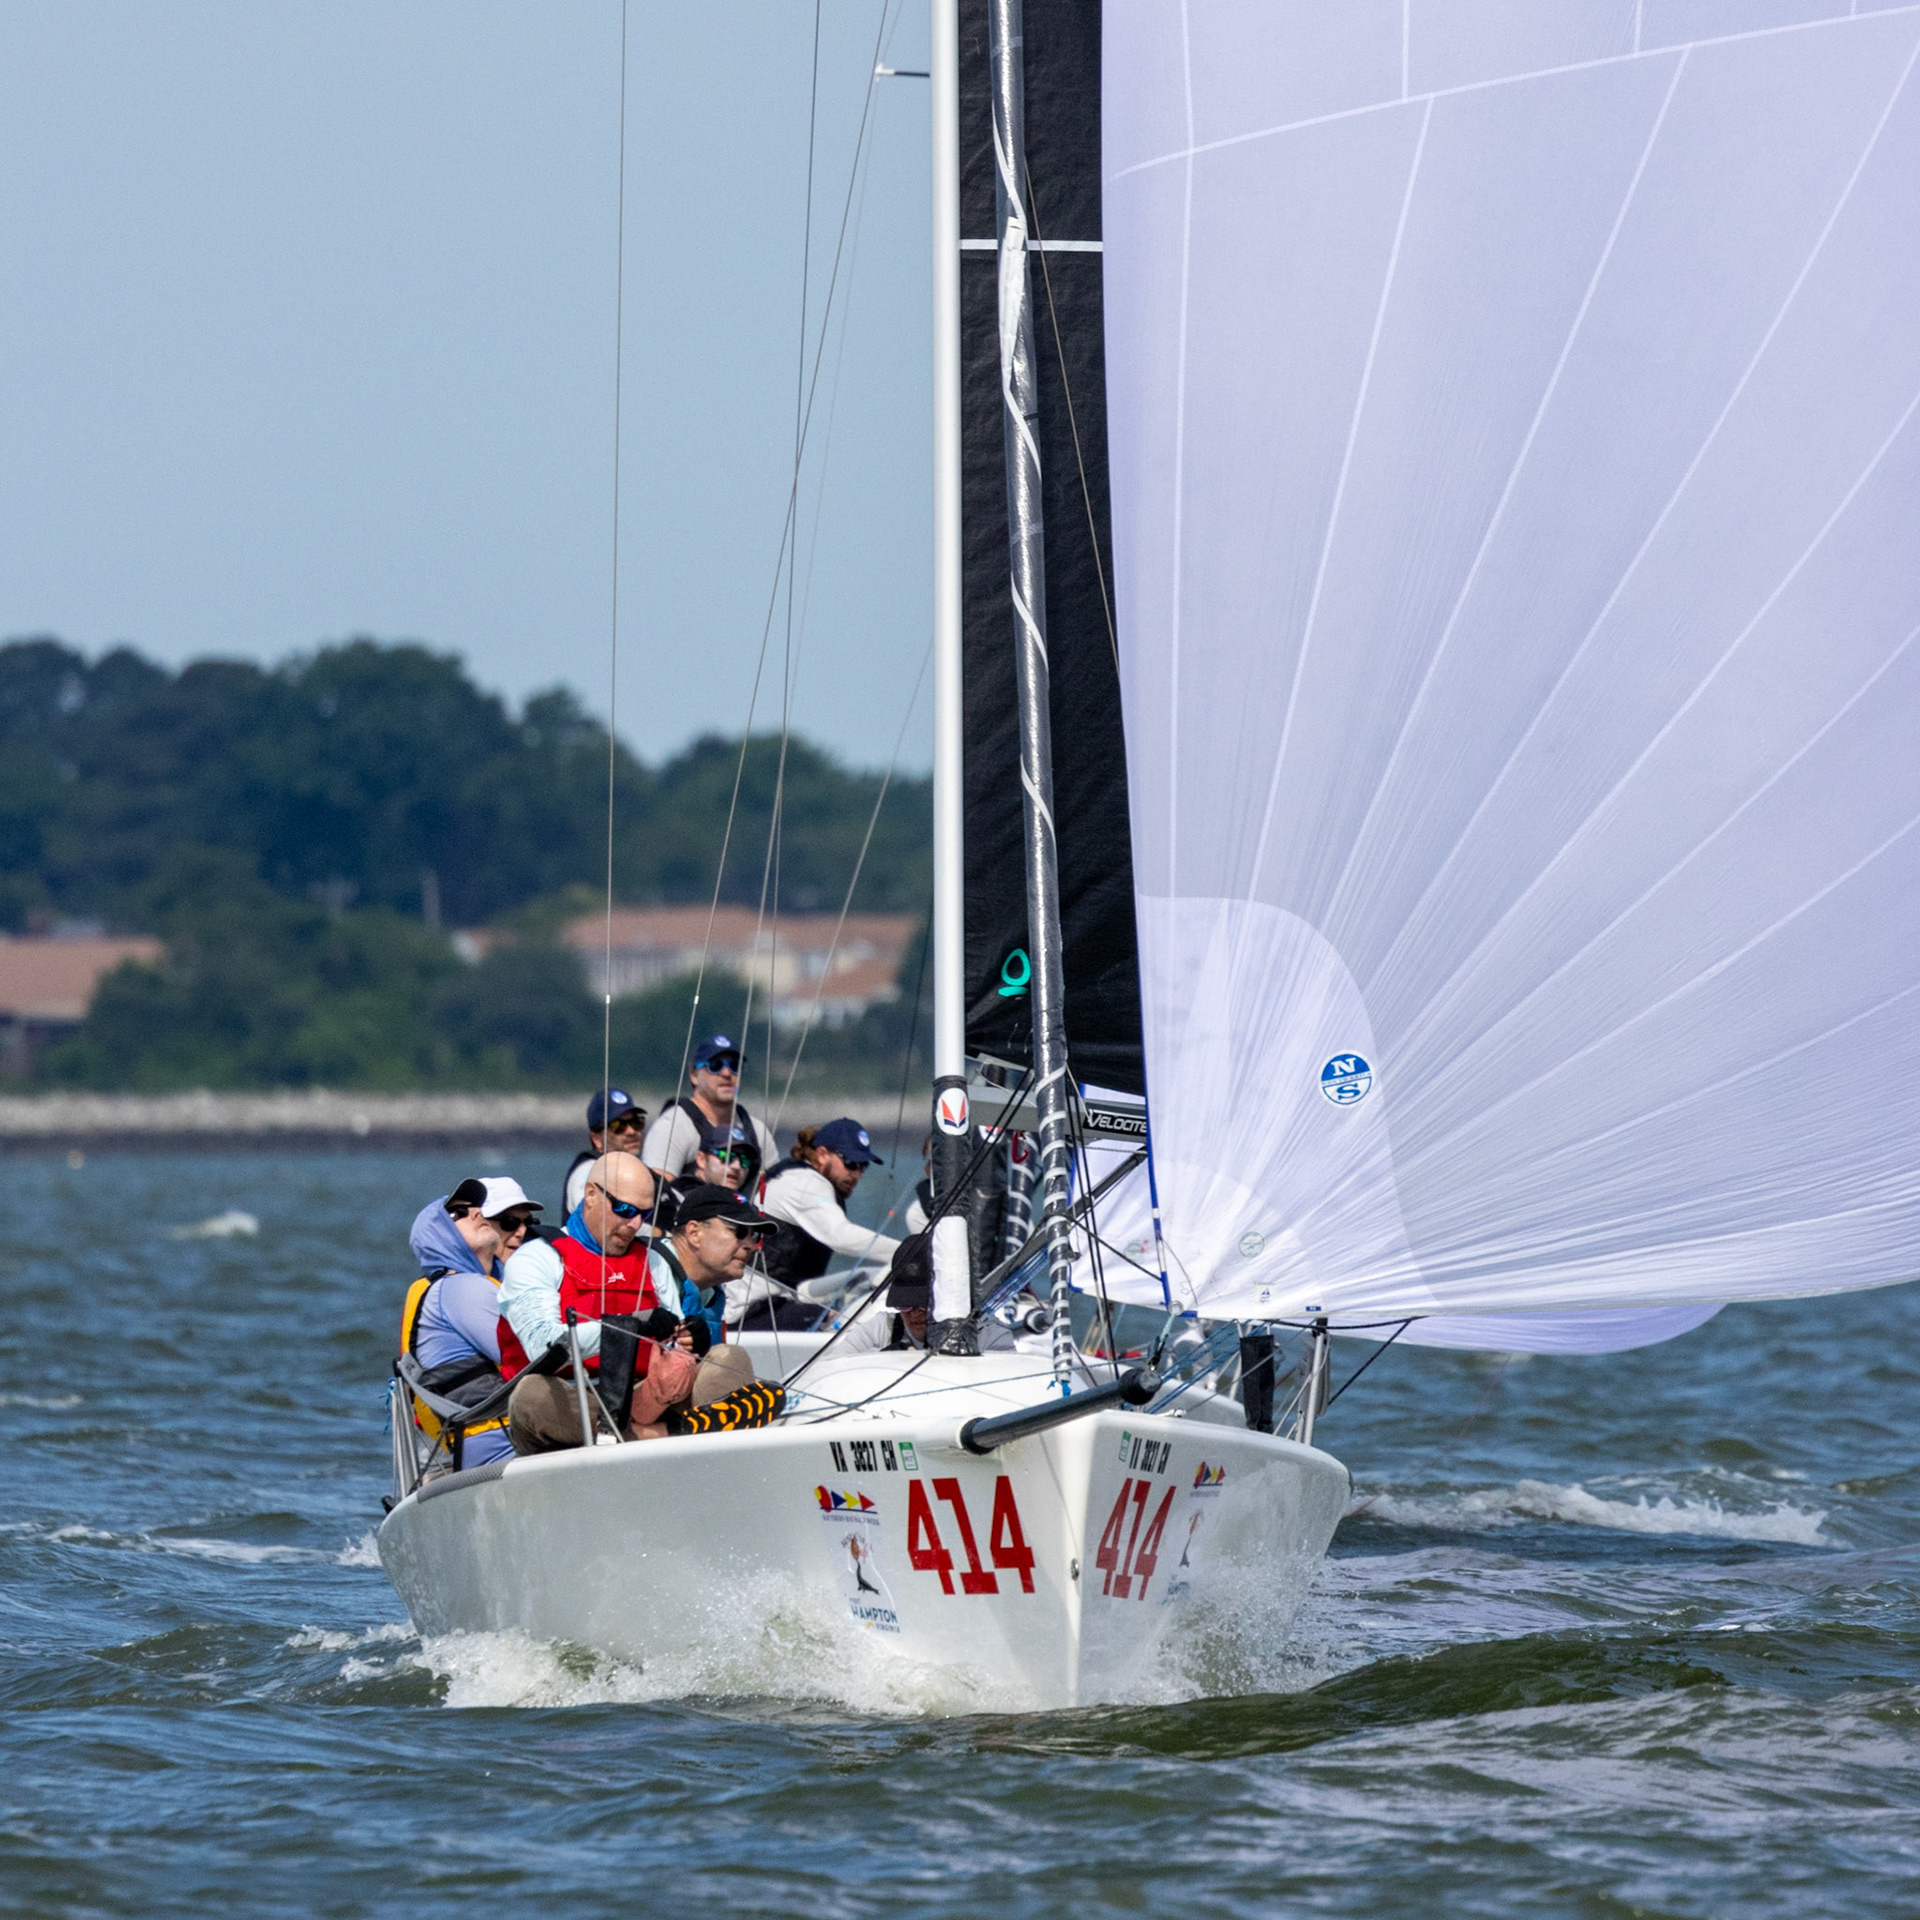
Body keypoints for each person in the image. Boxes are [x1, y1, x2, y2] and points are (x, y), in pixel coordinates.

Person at [498, 1157, 775, 1449]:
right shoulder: (536, 1258)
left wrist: (692, 1340)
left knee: (727, 1359)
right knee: (532, 1394)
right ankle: (662, 1434)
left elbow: (675, 1351)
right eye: (625, 1210)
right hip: (573, 1405)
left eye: (644, 1213)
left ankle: (673, 1441)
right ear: (591, 1194)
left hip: (645, 1400)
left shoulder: (653, 1262)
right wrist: (631, 1325)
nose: (634, 1224)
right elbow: (542, 1345)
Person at [399, 1177, 542, 1469]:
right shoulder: (460, 1288)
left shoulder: (470, 1285)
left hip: (478, 1440)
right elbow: (537, 1353)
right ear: (437, 1234)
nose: (476, 1212)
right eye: (458, 1213)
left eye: (477, 1207)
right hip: (496, 1440)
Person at [734, 1118, 901, 1330]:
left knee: (870, 1278)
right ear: (822, 1154)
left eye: (863, 1166)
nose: (856, 1174)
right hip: (750, 1310)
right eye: (851, 1163)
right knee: (843, 1319)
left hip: (786, 1294)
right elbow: (840, 1236)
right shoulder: (805, 1183)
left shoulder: (802, 1177)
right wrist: (908, 1251)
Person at [648, 1183, 777, 1367]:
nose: (751, 1245)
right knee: (732, 1359)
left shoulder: (711, 1291)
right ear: (694, 1233)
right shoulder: (647, 1271)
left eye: (754, 1235)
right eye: (739, 1231)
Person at [641, 1034, 776, 1181]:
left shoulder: (757, 1132)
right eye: (715, 1065)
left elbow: (777, 1186)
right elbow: (658, 1187)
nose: (727, 1073)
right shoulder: (672, 1127)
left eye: (735, 1066)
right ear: (694, 1075)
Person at [652, 1117, 761, 1235]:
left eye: (745, 1160)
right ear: (701, 1159)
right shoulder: (683, 1197)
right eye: (726, 1156)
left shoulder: (739, 1201)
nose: (737, 1166)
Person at [833, 1232, 932, 1354]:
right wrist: (884, 1355)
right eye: (904, 1305)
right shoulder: (882, 1328)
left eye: (924, 1304)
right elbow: (834, 1360)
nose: (915, 1313)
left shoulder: (956, 1335)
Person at [562, 1088, 647, 1216]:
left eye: (636, 1123)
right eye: (618, 1126)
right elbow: (596, 1218)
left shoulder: (642, 1171)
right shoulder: (588, 1173)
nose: (631, 1131)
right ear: (597, 1139)